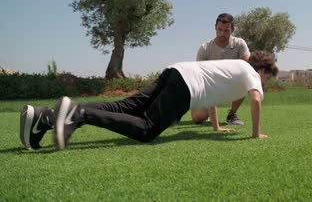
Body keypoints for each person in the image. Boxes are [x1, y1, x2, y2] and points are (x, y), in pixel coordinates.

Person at [19, 51, 278, 151]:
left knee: (126, 106)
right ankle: (78, 113)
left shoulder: (233, 67)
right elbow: (256, 99)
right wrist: (255, 134)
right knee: (145, 129)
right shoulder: (250, 73)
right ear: (263, 71)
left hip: (176, 71)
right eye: (267, 78)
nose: (263, 83)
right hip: (186, 87)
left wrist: (216, 127)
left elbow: (212, 94)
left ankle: (45, 118)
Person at [193, 13, 250, 126]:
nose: (222, 33)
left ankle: (232, 114)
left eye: (226, 30)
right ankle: (209, 113)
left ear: (232, 30)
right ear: (215, 27)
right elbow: (199, 76)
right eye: (219, 29)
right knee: (198, 118)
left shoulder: (240, 44)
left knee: (246, 80)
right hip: (210, 87)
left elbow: (246, 66)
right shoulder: (205, 48)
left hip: (231, 83)